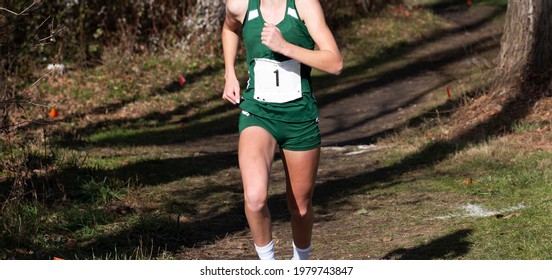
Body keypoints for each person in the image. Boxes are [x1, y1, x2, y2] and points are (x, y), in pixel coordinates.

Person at [222, 0, 343, 260]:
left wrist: (285, 46)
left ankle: (300, 264)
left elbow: (335, 63)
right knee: (254, 198)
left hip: (299, 117)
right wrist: (229, 72)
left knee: (300, 207)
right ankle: (269, 268)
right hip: (258, 112)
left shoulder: (305, 5)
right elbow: (229, 28)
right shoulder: (240, 4)